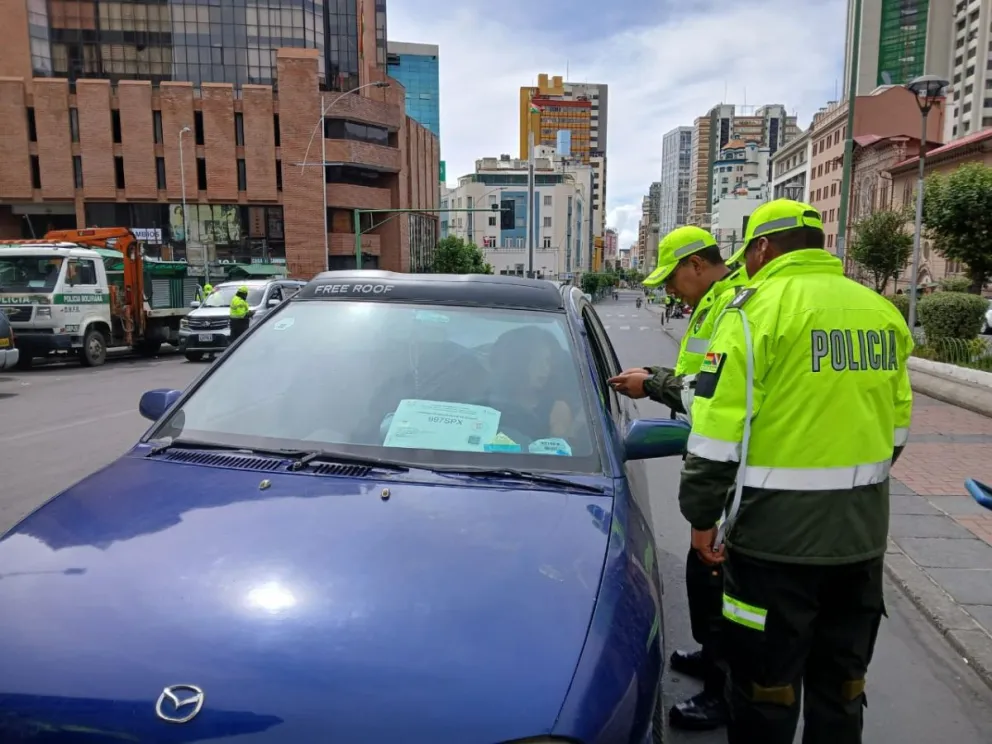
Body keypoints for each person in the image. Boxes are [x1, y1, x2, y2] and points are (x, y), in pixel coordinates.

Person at [678, 199, 913, 744]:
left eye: (750, 255)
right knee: (843, 686)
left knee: (767, 689)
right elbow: (896, 430)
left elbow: (715, 435)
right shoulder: (880, 312)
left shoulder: (750, 312)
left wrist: (702, 518)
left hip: (772, 545)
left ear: (762, 248)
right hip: (859, 541)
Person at [608, 225, 746, 731]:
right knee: (704, 576)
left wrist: (654, 385)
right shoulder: (716, 304)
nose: (669, 290)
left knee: (720, 583)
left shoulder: (735, 307)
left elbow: (712, 396)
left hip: (726, 468)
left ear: (695, 265)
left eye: (672, 278)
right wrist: (659, 379)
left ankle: (722, 692)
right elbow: (701, 380)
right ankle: (712, 658)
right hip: (713, 457)